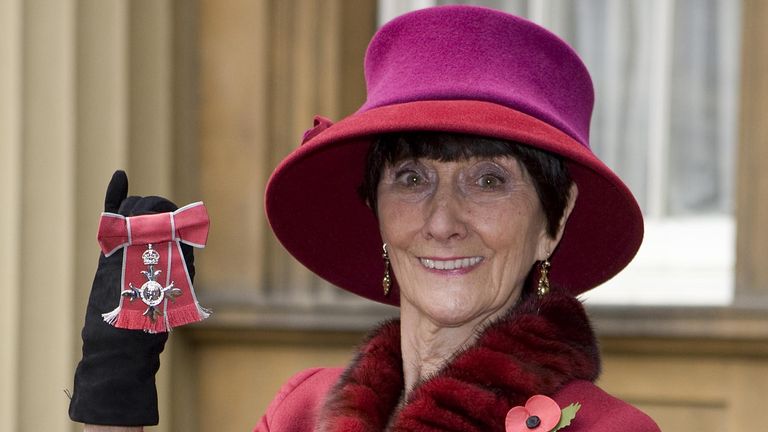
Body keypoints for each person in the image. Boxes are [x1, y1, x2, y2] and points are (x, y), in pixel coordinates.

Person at [70, 5, 661, 432]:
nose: (442, 221)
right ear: (376, 213)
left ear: (553, 223)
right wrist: (114, 391)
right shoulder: (302, 413)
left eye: (489, 180)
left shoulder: (610, 430)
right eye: (411, 178)